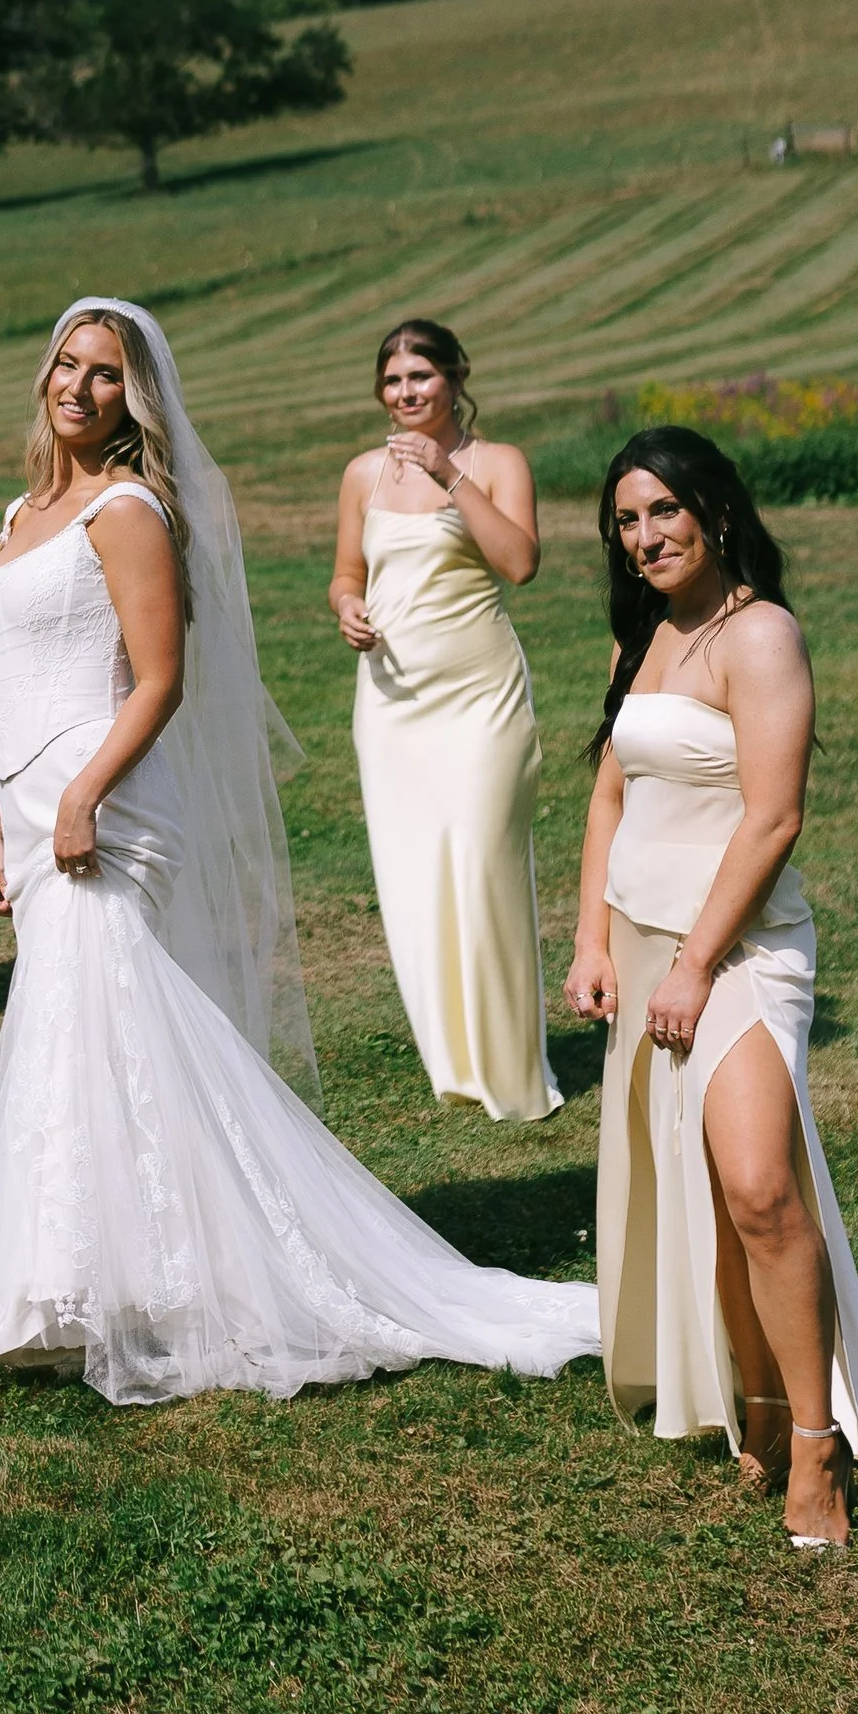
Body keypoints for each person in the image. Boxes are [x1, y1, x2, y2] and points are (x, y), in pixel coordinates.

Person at [0, 298, 601, 1407]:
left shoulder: (128, 507)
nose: (77, 388)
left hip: (105, 797)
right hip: (32, 790)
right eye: (65, 364)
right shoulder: (22, 508)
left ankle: (123, 1277)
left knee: (97, 1016)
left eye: (104, 375)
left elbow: (157, 681)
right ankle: (78, 1276)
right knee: (78, 1024)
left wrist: (84, 793)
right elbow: (22, 671)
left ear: (132, 399)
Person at [563, 427, 858, 1548]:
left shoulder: (758, 635)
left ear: (714, 511)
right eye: (625, 520)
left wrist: (695, 964)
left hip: (740, 951)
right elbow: (607, 798)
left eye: (663, 511)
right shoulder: (642, 640)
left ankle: (817, 1447)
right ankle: (757, 1414)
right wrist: (588, 942)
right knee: (701, 1193)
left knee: (761, 1187)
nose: (644, 536)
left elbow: (772, 817)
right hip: (642, 938)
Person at [331, 319, 559, 1121]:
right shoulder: (362, 473)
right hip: (392, 706)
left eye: (420, 378)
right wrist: (349, 607)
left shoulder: (497, 463)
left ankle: (510, 1066)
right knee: (413, 875)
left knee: (482, 860)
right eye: (392, 382)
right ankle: (450, 1057)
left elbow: (521, 563)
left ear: (456, 380)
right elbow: (346, 575)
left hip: (480, 699)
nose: (405, 394)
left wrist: (448, 477)